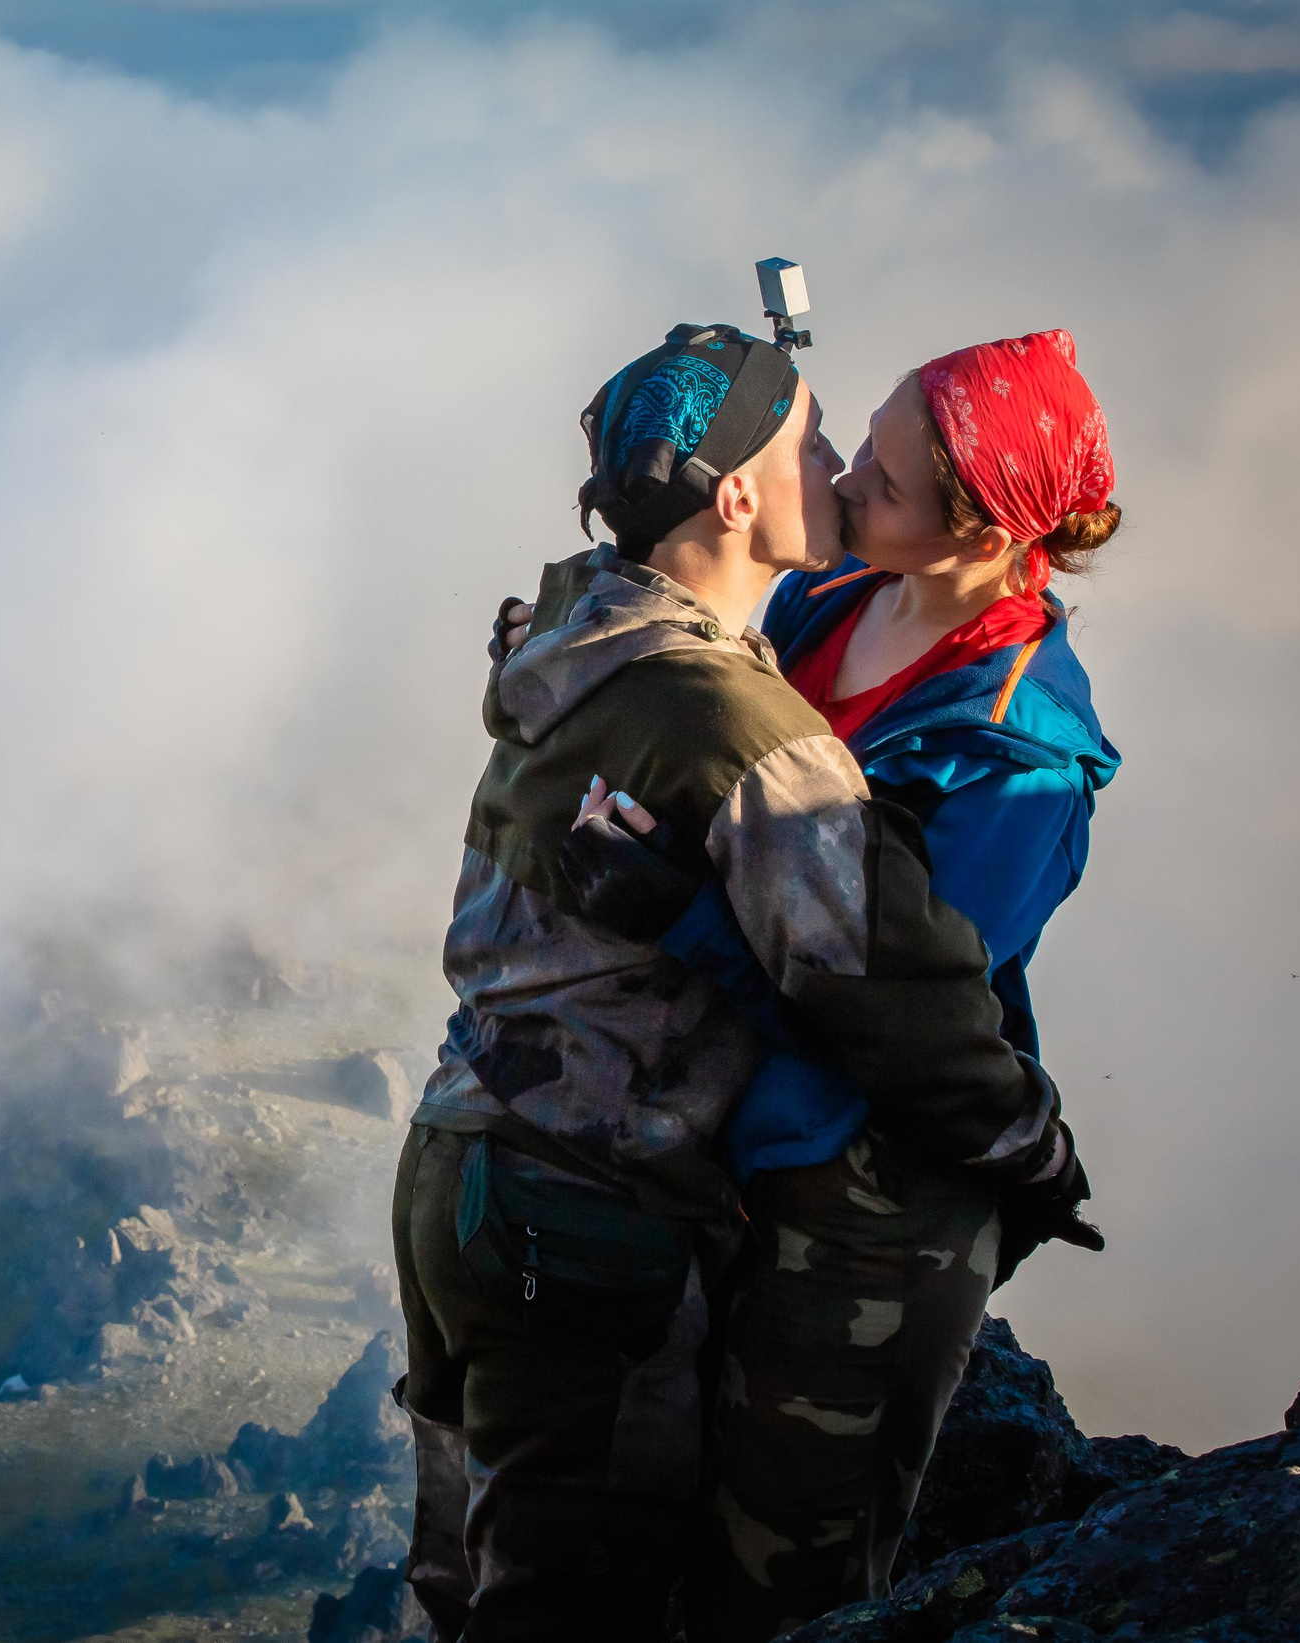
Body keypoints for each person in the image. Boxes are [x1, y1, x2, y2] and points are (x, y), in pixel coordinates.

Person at [394, 321, 1092, 1642]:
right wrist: (1031, 1146)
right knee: (579, 1606)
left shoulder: (583, 629)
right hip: (585, 1203)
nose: (837, 470)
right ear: (735, 496)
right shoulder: (755, 725)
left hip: (466, 1163)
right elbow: (889, 992)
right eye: (820, 443)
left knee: (478, 1578)